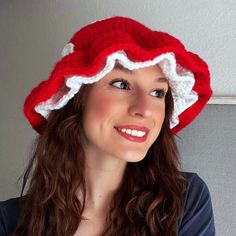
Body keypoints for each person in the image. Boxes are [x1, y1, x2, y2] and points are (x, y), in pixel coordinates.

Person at [0, 16, 215, 236]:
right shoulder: (9, 221)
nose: (145, 109)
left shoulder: (186, 201)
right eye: (122, 84)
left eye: (157, 93)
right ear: (76, 98)